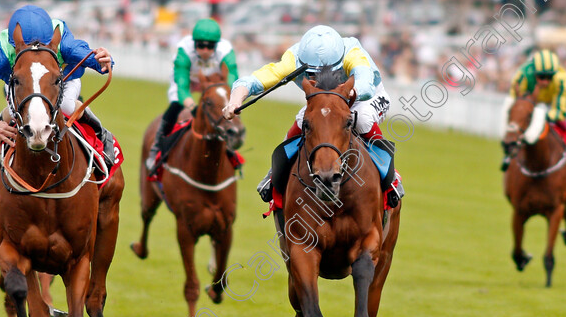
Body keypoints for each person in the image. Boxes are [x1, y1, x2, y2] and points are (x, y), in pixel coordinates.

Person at [222, 25, 403, 207]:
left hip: (363, 97)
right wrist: (235, 100)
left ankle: (391, 177)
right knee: (303, 121)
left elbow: (366, 85)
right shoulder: (293, 59)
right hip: (325, 102)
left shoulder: (353, 52)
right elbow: (256, 80)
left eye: (326, 72)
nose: (318, 78)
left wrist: (343, 95)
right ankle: (274, 175)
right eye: (312, 74)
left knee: (362, 119)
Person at [0, 5, 113, 151]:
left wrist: (102, 61)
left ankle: (102, 136)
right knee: (13, 112)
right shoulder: (1, 52)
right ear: (15, 45)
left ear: (52, 40)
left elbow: (99, 62)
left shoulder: (63, 41)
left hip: (63, 82)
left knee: (65, 105)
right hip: (21, 86)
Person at [145, 18, 239, 172]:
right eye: (200, 45)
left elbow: (232, 81)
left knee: (223, 109)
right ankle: (156, 148)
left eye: (210, 46)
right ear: (194, 43)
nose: (205, 50)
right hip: (187, 79)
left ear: (217, 45)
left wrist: (229, 103)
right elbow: (181, 87)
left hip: (212, 82)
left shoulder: (226, 51)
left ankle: (230, 148)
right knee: (176, 106)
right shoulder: (184, 49)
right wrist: (193, 107)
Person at [504, 49, 566, 170]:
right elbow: (516, 101)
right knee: (513, 130)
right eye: (541, 77)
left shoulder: (562, 78)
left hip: (551, 106)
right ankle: (508, 155)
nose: (545, 81)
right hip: (530, 105)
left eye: (549, 77)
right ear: (534, 73)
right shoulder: (522, 75)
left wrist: (547, 116)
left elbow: (560, 109)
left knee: (565, 128)